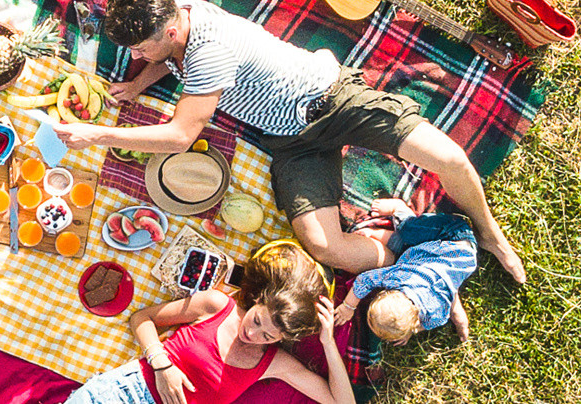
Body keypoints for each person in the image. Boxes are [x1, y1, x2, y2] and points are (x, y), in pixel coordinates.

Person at [52, 0, 526, 284]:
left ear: (172, 30)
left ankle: (487, 231)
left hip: (333, 99)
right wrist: (138, 85)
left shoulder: (208, 53)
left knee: (450, 158)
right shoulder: (180, 14)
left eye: (139, 50)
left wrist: (95, 134)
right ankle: (415, 255)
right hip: (290, 140)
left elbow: (180, 135)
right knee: (328, 249)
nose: (134, 57)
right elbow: (169, 56)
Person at [65, 242, 353, 404]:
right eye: (257, 320)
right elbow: (143, 318)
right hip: (124, 393)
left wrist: (328, 342)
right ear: (257, 300)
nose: (252, 333)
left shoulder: (275, 363)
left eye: (267, 336)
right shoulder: (217, 305)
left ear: (280, 340)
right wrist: (162, 366)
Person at [332, 198, 479, 344]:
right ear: (385, 291)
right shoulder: (397, 278)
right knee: (408, 236)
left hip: (445, 252)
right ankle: (395, 214)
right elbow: (364, 281)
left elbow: (426, 324)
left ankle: (390, 218)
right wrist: (348, 307)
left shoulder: (436, 314)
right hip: (454, 239)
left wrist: (409, 329)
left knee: (404, 246)